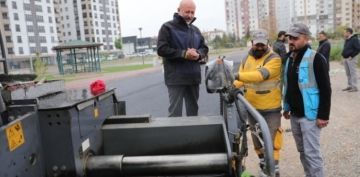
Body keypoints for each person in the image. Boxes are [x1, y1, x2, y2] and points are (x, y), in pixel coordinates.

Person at [283, 23, 331, 177]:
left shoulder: (315, 58)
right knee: (302, 152)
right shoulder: (290, 58)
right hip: (295, 115)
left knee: (312, 154)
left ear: (306, 38)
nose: (291, 41)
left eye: (295, 38)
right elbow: (289, 85)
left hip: (310, 116)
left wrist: (323, 115)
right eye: (290, 37)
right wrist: (286, 106)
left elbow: (325, 89)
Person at [233, 29, 282, 177]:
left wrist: (235, 75)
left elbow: (260, 75)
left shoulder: (274, 59)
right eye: (257, 44)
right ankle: (263, 167)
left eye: (263, 44)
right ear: (252, 43)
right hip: (252, 108)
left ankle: (274, 171)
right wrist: (230, 86)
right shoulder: (246, 58)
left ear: (268, 43)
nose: (260, 47)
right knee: (257, 142)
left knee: (272, 141)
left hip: (271, 109)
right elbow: (240, 81)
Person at [157, 0, 209, 117]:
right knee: (175, 113)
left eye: (192, 12)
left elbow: (204, 48)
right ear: (179, 10)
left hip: (193, 78)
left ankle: (193, 135)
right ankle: (175, 136)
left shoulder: (195, 30)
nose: (190, 15)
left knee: (193, 112)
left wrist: (199, 54)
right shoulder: (167, 27)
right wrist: (184, 54)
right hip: (176, 79)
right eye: (187, 12)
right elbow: (161, 49)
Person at [341, 27, 360, 92]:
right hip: (346, 58)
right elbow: (345, 49)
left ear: (348, 32)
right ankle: (350, 86)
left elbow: (358, 49)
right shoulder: (347, 39)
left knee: (353, 73)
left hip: (351, 58)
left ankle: (355, 87)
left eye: (345, 32)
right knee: (348, 73)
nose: (344, 33)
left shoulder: (354, 39)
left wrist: (351, 56)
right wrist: (343, 57)